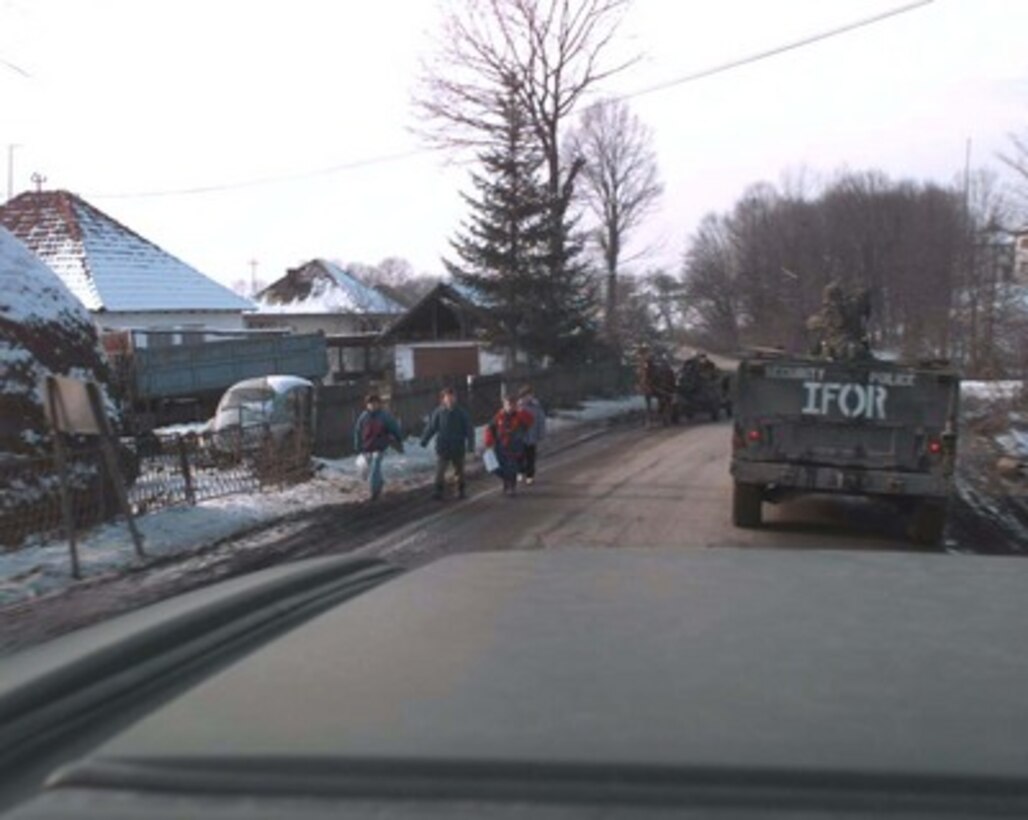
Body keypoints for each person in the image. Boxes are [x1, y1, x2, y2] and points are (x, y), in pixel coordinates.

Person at [420, 386, 475, 500]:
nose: (449, 400)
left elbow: (469, 430)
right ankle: (438, 491)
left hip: (458, 447)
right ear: (443, 399)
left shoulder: (461, 413)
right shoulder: (439, 412)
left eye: (452, 397)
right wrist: (424, 440)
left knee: (459, 471)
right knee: (440, 471)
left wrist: (470, 446)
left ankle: (460, 490)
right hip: (443, 447)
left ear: (455, 399)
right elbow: (431, 427)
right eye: (447, 398)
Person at [353, 393, 403, 501]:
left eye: (375, 403)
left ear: (379, 404)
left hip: (380, 446)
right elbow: (357, 431)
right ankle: (379, 484)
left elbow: (394, 426)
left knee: (375, 467)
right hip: (367, 446)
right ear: (367, 405)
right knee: (370, 468)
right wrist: (357, 446)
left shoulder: (384, 416)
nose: (373, 406)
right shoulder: (363, 417)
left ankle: (374, 492)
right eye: (370, 404)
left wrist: (398, 438)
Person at [484, 395, 533, 495]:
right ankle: (506, 481)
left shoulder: (520, 416)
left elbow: (530, 420)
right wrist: (489, 441)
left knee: (512, 467)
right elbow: (490, 428)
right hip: (501, 446)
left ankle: (511, 486)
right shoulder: (499, 416)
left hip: (515, 447)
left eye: (512, 405)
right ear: (504, 405)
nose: (510, 407)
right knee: (497, 468)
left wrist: (520, 411)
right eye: (508, 404)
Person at [517, 384, 546, 485]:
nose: (528, 398)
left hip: (532, 436)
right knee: (520, 456)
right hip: (521, 437)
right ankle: (520, 471)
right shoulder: (518, 407)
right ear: (522, 397)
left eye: (530, 395)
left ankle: (530, 475)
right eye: (525, 396)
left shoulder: (536, 406)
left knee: (531, 457)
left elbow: (540, 420)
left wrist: (541, 434)